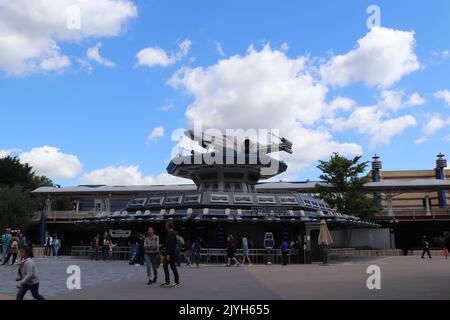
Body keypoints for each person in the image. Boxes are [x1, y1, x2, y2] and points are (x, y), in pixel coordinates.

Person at [161, 221, 180, 287]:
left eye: (166, 225)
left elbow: (171, 245)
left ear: (168, 226)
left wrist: (168, 254)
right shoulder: (171, 233)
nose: (165, 226)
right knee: (166, 266)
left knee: (172, 267)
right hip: (170, 253)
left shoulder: (171, 233)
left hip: (170, 253)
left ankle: (176, 282)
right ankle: (167, 281)